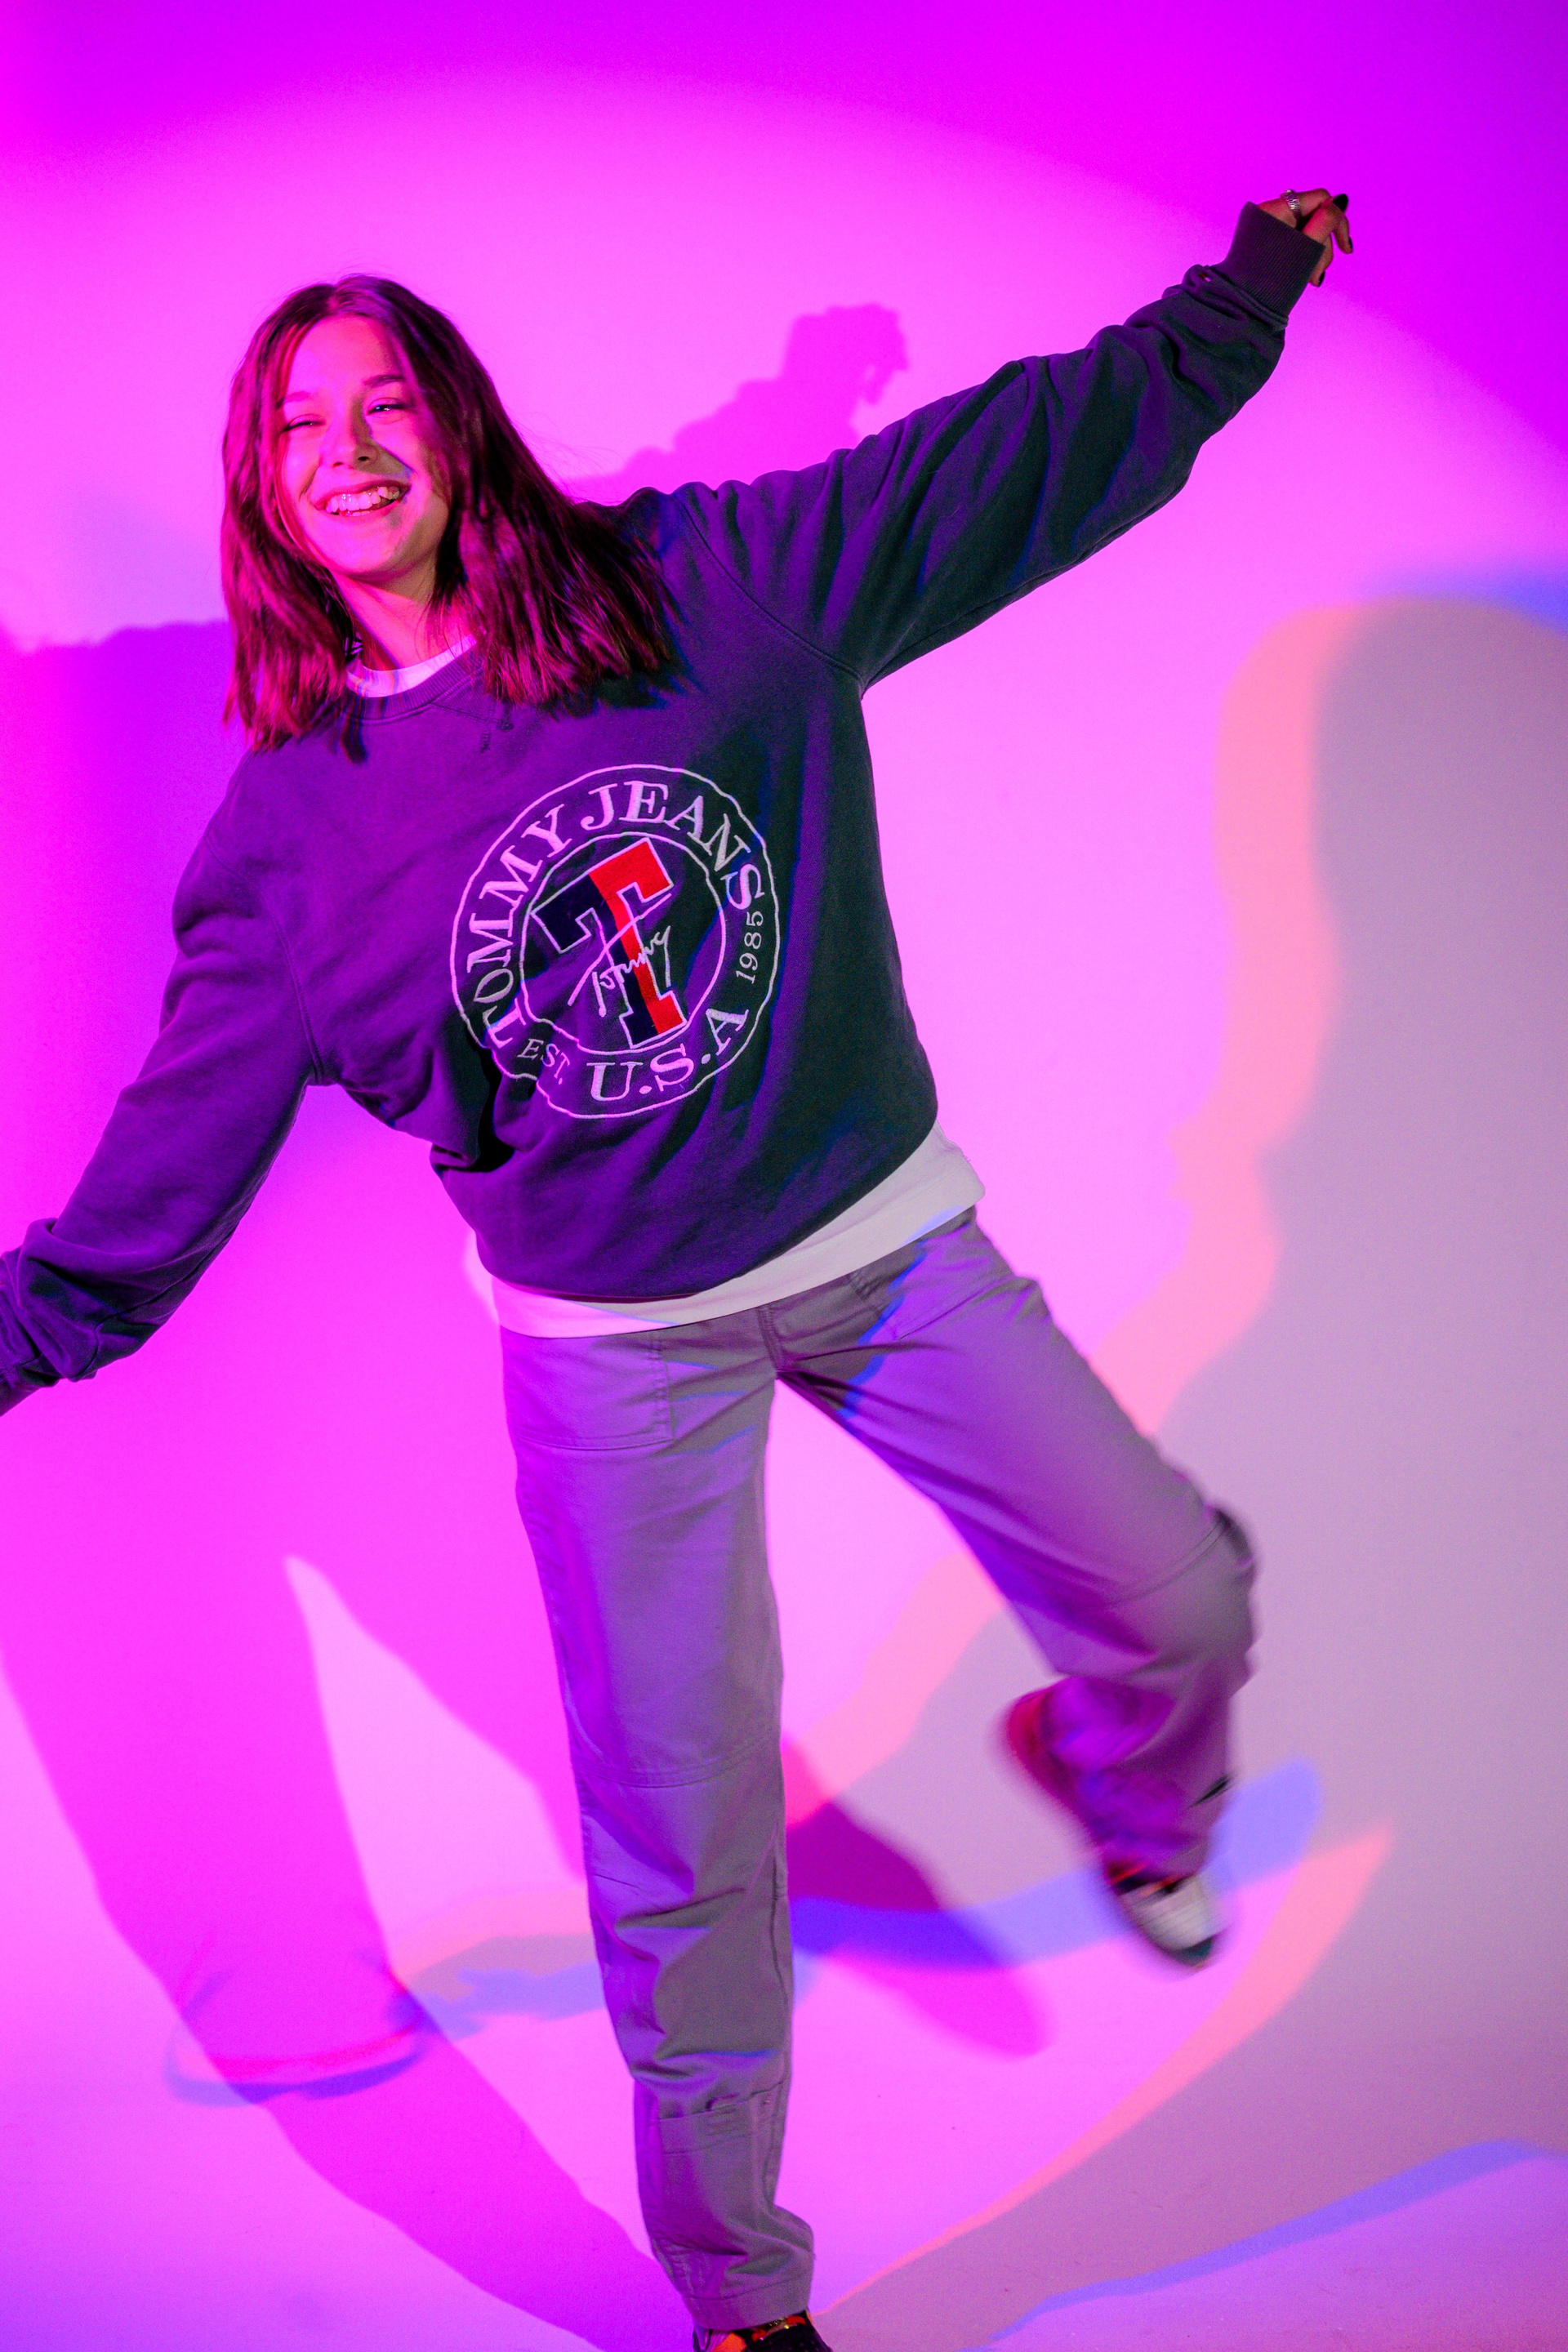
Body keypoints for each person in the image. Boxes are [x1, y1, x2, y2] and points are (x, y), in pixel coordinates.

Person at [0, 187, 1351, 2351]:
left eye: (385, 401)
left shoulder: (707, 585)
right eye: (296, 426)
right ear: (261, 494)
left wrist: (1236, 303)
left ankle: (1129, 1795)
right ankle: (739, 2294)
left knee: (1178, 1596)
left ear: (457, 423)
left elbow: (1000, 470)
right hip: (613, 1358)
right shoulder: (289, 844)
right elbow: (151, 1193)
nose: (347, 448)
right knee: (689, 1830)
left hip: (880, 1242)